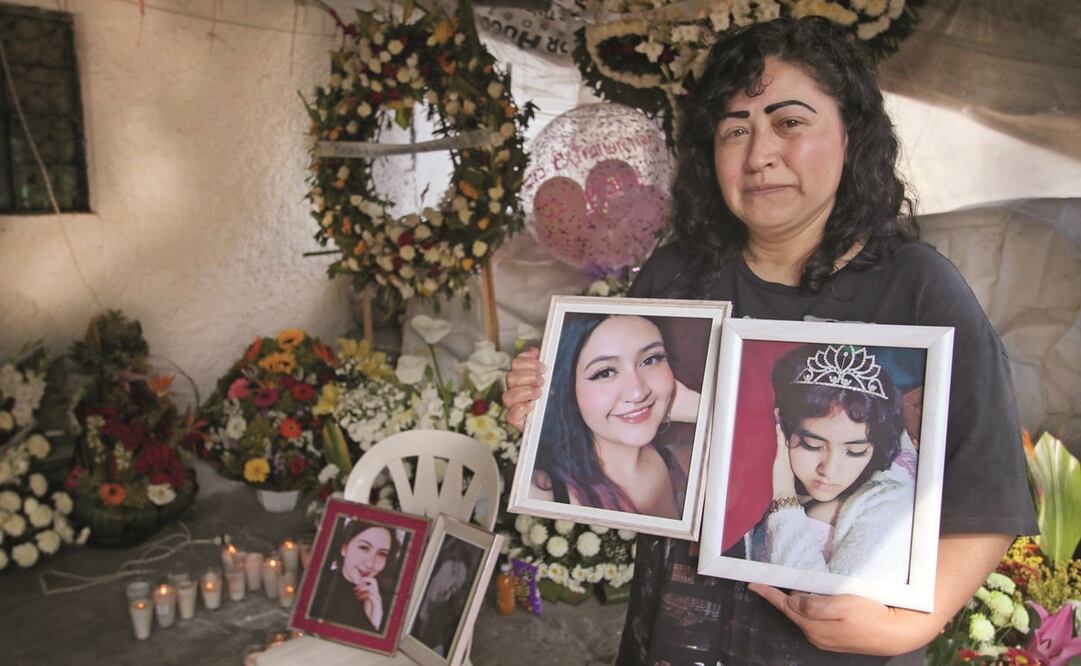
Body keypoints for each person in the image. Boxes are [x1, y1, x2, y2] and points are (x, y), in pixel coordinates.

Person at [504, 16, 1036, 664]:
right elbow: (639, 429)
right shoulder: (677, 272)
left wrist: (906, 627)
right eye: (735, 130)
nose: (759, 155)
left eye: (789, 122)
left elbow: (990, 485)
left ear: (849, 133)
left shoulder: (917, 289)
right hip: (674, 634)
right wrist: (551, 402)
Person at [745, 343, 916, 582]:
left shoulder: (887, 504)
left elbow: (815, 598)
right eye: (812, 445)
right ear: (782, 427)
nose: (829, 470)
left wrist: (783, 495)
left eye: (855, 451)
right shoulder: (752, 465)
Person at [528, 312, 701, 519]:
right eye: (605, 372)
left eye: (650, 359)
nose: (638, 392)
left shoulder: (691, 463)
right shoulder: (541, 494)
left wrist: (697, 407)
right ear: (566, 388)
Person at [308, 518, 402, 634]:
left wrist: (376, 616)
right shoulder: (316, 589)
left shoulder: (390, 602)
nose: (370, 564)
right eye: (364, 548)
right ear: (344, 548)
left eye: (382, 554)